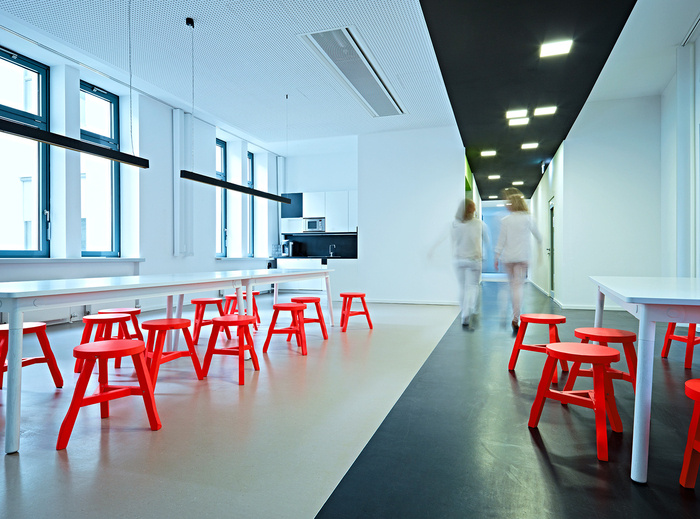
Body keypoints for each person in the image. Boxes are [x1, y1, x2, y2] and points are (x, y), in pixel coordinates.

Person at [493, 188, 542, 333]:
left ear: (513, 204)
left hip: (508, 258)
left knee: (511, 286)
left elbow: (501, 240)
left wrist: (496, 256)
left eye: (509, 203)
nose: (507, 205)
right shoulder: (528, 218)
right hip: (522, 258)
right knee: (518, 287)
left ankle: (508, 313)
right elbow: (539, 237)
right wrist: (539, 254)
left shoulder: (506, 220)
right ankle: (516, 317)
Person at [451, 198, 489, 329]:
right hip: (474, 260)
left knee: (462, 287)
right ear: (473, 210)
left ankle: (464, 314)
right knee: (473, 286)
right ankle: (471, 309)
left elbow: (453, 242)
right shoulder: (479, 223)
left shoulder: (455, 224)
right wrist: (485, 256)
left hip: (459, 260)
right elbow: (487, 240)